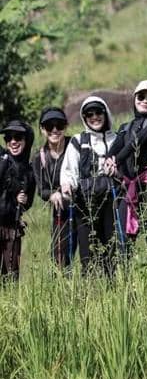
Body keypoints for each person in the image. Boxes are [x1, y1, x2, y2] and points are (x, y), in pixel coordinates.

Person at [59, 96, 120, 274]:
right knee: (88, 254)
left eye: (98, 112)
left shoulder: (116, 139)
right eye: (89, 114)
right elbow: (69, 170)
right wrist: (67, 185)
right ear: (84, 117)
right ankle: (91, 295)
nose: (95, 117)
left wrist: (116, 172)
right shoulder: (78, 141)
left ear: (106, 113)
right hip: (84, 203)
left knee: (111, 250)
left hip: (111, 202)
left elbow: (126, 170)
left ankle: (112, 291)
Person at [109, 80, 147, 245]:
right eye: (141, 96)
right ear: (135, 98)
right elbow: (115, 148)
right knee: (123, 239)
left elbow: (137, 141)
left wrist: (116, 160)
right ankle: (127, 270)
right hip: (127, 186)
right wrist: (109, 159)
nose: (145, 101)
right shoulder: (124, 127)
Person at [32, 107, 74, 268]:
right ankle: (64, 288)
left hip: (83, 205)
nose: (55, 130)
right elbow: (41, 190)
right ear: (42, 129)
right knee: (59, 256)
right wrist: (51, 194)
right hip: (60, 210)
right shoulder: (39, 157)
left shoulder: (75, 145)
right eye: (50, 126)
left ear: (66, 126)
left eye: (60, 125)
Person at [0, 120, 36, 280]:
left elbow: (28, 204)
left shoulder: (28, 171)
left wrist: (24, 200)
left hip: (12, 228)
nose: (13, 141)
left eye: (18, 137)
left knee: (12, 276)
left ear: (26, 140)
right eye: (9, 137)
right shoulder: (1, 160)